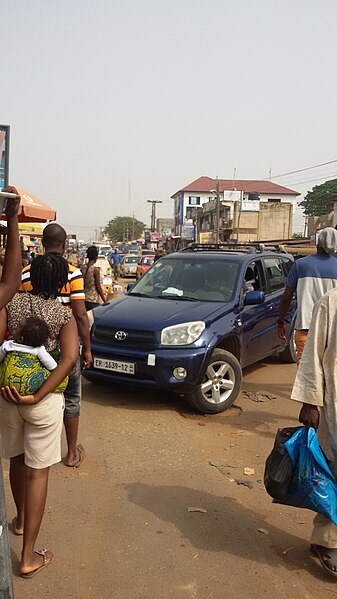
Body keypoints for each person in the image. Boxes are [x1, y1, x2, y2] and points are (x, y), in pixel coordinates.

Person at [0, 253, 78, 578]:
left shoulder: (11, 304)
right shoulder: (64, 315)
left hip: (7, 396)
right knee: (38, 473)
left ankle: (18, 521)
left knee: (17, 460)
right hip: (42, 403)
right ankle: (29, 556)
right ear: (61, 283)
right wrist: (39, 394)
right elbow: (69, 359)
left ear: (30, 276)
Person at [20, 223, 92, 468]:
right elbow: (81, 315)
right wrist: (87, 348)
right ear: (64, 245)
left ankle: (32, 450)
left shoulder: (27, 272)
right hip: (65, 349)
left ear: (41, 242)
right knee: (71, 397)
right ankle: (71, 453)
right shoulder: (73, 274)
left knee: (36, 394)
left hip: (32, 348)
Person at [290, 286, 337, 576]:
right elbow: (312, 355)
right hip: (335, 404)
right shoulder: (330, 302)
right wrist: (310, 400)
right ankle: (327, 540)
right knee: (332, 475)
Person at [278, 227, 337, 363]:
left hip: (306, 328)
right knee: (331, 371)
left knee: (306, 372)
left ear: (317, 243)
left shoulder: (300, 265)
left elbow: (286, 298)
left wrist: (280, 322)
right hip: (332, 329)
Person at [81, 246, 106, 310]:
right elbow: (98, 287)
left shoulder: (83, 268)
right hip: (93, 300)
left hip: (83, 299)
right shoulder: (96, 270)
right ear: (96, 257)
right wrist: (105, 300)